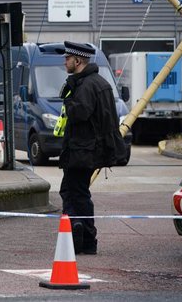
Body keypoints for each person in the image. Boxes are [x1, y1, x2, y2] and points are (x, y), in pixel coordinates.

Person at [56, 41, 123, 255]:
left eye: (67, 58)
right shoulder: (98, 82)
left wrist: (68, 100)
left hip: (82, 151)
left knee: (75, 192)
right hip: (87, 150)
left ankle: (82, 236)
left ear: (78, 61)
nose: (64, 61)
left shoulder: (86, 85)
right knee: (73, 190)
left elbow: (80, 113)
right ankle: (79, 232)